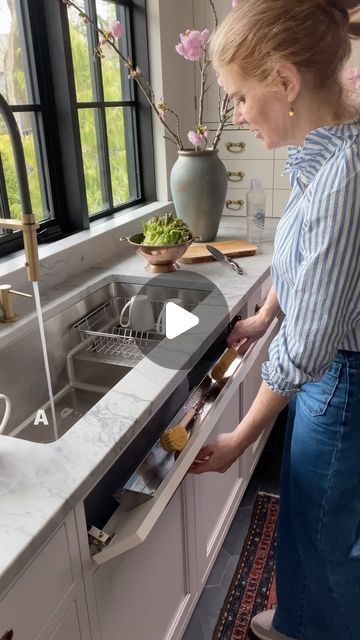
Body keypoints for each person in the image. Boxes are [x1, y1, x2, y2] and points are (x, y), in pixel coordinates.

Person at [189, 1, 360, 639]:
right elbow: (310, 265)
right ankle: (299, 621)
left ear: (284, 83)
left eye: (238, 96)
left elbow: (311, 343)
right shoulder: (322, 149)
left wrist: (240, 437)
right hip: (333, 376)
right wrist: (264, 315)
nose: (235, 113)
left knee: (324, 535)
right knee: (306, 512)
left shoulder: (347, 178)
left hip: (342, 378)